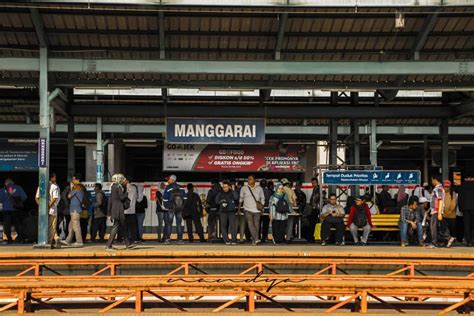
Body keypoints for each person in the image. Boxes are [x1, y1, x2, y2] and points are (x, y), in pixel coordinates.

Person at [105, 173, 135, 251]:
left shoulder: (113, 187)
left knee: (123, 227)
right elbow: (122, 198)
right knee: (116, 227)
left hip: (115, 209)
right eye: (122, 179)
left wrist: (109, 212)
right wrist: (127, 192)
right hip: (119, 210)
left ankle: (128, 244)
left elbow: (110, 200)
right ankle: (108, 245)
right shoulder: (118, 187)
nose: (123, 180)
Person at [427, 174, 454, 249]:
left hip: (436, 211)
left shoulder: (438, 189)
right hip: (435, 210)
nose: (431, 181)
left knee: (433, 227)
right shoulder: (438, 188)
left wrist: (439, 213)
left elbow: (440, 200)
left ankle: (435, 243)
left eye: (432, 179)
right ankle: (447, 238)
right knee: (436, 227)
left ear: (435, 179)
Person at [35, 173, 60, 249]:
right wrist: (48, 207)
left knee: (43, 226)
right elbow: (55, 198)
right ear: (52, 178)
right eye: (55, 177)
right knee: (52, 226)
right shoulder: (54, 186)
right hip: (52, 210)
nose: (55, 179)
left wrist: (41, 207)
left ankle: (51, 239)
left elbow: (36, 198)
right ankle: (49, 241)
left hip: (43, 211)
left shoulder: (41, 186)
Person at [61, 174, 86, 247]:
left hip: (75, 210)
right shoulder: (81, 187)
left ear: (78, 180)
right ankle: (68, 240)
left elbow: (69, 196)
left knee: (76, 226)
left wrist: (71, 189)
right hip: (75, 209)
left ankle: (79, 241)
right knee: (71, 226)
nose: (72, 180)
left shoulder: (77, 188)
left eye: (73, 179)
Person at [239, 175, 265, 246]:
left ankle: (254, 241)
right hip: (247, 209)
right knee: (250, 224)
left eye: (250, 179)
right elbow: (241, 199)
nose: (248, 180)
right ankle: (256, 238)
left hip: (257, 210)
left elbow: (262, 198)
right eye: (248, 179)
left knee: (256, 225)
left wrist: (262, 208)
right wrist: (239, 209)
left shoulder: (259, 188)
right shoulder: (244, 188)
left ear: (254, 180)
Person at [0, 178, 27, 243]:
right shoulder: (18, 188)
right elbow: (24, 197)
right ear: (13, 183)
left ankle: (9, 239)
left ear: (5, 183)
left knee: (7, 225)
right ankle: (20, 238)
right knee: (17, 224)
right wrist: (18, 202)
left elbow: (0, 200)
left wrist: (5, 202)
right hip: (16, 209)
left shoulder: (2, 190)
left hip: (6, 210)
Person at [163, 175, 187, 245]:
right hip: (179, 208)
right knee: (179, 224)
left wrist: (167, 206)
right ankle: (180, 240)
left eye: (169, 179)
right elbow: (185, 198)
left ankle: (167, 239)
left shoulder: (168, 187)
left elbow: (165, 198)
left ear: (172, 180)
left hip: (171, 208)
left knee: (169, 224)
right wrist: (182, 206)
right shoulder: (181, 187)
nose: (168, 181)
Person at [216, 181, 238, 245]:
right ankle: (226, 240)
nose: (224, 188)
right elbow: (216, 201)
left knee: (233, 226)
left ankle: (234, 240)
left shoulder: (232, 192)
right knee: (223, 226)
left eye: (226, 187)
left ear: (229, 186)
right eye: (223, 187)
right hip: (223, 212)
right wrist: (221, 201)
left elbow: (236, 197)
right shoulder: (220, 193)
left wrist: (233, 190)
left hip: (231, 212)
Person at [458, 177, 474, 246]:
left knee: (467, 225)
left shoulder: (462, 186)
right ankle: (473, 240)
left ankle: (469, 242)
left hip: (465, 208)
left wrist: (460, 208)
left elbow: (460, 198)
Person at [123, 178, 139, 244]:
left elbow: (123, 198)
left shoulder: (124, 188)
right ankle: (134, 239)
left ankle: (126, 240)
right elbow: (137, 197)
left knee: (125, 227)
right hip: (132, 210)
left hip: (125, 211)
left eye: (123, 180)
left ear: (127, 181)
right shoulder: (134, 188)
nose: (123, 182)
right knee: (133, 227)